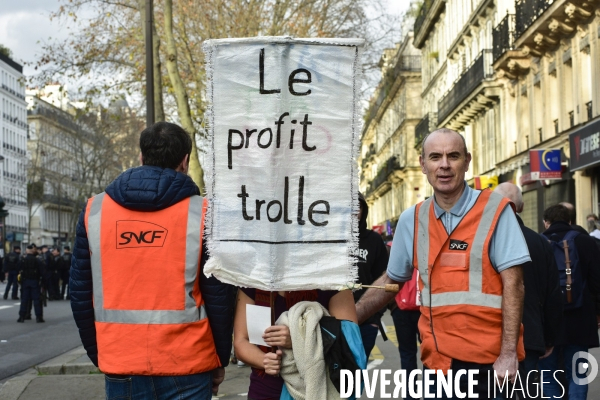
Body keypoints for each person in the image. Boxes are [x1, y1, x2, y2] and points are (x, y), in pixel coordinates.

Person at [356, 128, 530, 399]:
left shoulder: (496, 210)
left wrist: (508, 355)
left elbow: (514, 285)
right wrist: (348, 319)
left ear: (467, 161)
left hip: (489, 365)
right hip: (438, 366)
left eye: (454, 156)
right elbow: (391, 280)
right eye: (435, 157)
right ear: (423, 164)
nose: (445, 165)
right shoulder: (411, 219)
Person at [70, 122, 235, 399]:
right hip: (189, 361)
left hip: (121, 362)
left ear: (141, 157)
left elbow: (80, 294)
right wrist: (220, 359)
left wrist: (101, 355)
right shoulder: (204, 213)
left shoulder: (94, 211)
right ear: (185, 161)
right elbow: (219, 296)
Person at [495, 183, 563, 399]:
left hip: (490, 335)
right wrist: (549, 338)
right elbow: (553, 294)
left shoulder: (483, 240)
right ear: (521, 207)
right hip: (531, 335)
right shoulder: (540, 242)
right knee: (527, 391)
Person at [233, 288, 357, 400]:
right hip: (266, 389)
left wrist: (298, 337)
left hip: (317, 389)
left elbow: (348, 341)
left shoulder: (333, 279)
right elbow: (240, 341)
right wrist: (264, 360)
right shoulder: (254, 280)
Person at [537, 204, 600, 400]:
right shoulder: (586, 242)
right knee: (579, 375)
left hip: (547, 321)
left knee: (548, 374)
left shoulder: (537, 243)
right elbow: (597, 283)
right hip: (580, 319)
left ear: (545, 222)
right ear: (570, 221)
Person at [354, 192, 389, 358]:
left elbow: (384, 278)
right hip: (334, 320)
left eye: (358, 206)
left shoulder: (373, 240)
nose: (354, 211)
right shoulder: (331, 241)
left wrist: (376, 317)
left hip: (366, 321)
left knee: (358, 374)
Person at [17, 245, 45, 323]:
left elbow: (17, 269)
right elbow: (42, 271)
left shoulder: (23, 260)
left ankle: (21, 316)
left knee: (24, 300)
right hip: (35, 281)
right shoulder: (37, 260)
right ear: (33, 251)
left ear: (26, 251)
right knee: (37, 300)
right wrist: (43, 282)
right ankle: (39, 317)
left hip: (25, 281)